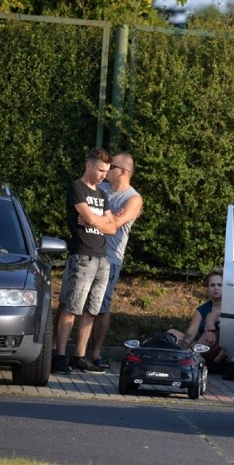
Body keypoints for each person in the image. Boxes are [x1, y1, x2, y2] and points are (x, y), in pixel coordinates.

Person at [52, 147, 117, 374]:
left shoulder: (102, 195)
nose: (103, 175)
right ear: (88, 165)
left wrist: (93, 221)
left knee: (92, 309)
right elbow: (91, 219)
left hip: (102, 258)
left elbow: (112, 227)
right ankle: (59, 355)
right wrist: (98, 220)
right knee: (72, 307)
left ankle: (79, 356)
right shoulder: (76, 188)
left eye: (106, 172)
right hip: (82, 256)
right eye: (100, 170)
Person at [88, 152, 143, 370]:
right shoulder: (101, 189)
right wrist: (105, 218)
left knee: (102, 306)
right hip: (89, 250)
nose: (106, 170)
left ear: (122, 171)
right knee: (76, 304)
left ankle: (96, 353)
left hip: (110, 258)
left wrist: (95, 218)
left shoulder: (133, 198)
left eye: (111, 167)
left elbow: (116, 223)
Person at [168, 267, 225, 366]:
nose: (216, 288)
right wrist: (185, 343)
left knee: (211, 334)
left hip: (219, 348)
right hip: (199, 346)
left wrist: (211, 330)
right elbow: (192, 331)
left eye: (219, 285)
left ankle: (188, 355)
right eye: (212, 285)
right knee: (171, 333)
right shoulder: (201, 310)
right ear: (208, 288)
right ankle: (188, 354)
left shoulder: (231, 307)